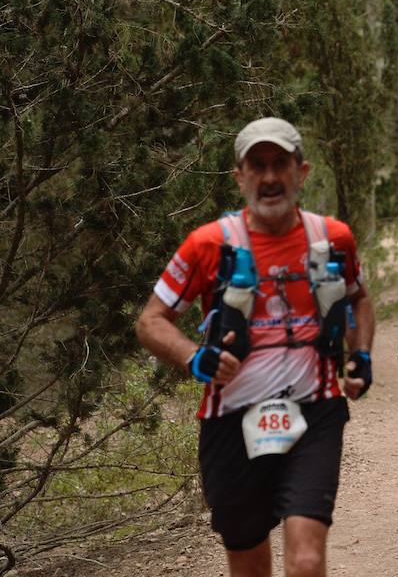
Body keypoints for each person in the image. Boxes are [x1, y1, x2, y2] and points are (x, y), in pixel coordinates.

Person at [136, 117, 375, 577]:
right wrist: (194, 357)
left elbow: (359, 297)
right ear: (239, 177)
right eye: (257, 165)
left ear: (301, 172)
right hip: (231, 420)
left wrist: (360, 353)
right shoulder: (207, 245)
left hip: (315, 411)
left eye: (280, 164)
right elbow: (150, 321)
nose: (269, 177)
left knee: (305, 561)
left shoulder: (332, 239)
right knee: (249, 566)